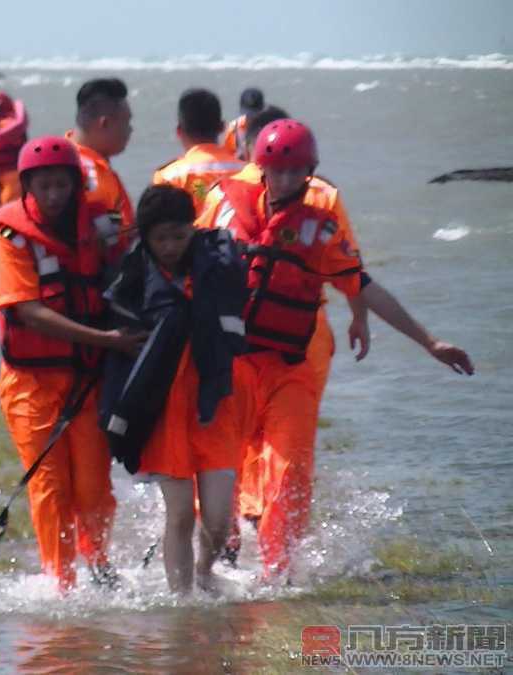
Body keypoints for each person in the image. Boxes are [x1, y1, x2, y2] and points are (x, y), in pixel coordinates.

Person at [195, 119, 474, 579]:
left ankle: (277, 573)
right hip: (234, 361)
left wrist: (429, 342)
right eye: (277, 171)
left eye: (295, 172)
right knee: (218, 464)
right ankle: (217, 553)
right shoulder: (223, 207)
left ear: (310, 172)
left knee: (290, 470)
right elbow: (185, 265)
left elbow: (364, 285)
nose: (285, 181)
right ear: (260, 169)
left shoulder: (320, 229)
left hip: (292, 366)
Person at [0, 135, 146, 593]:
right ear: (27, 186)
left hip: (86, 378)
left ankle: (99, 568)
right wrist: (105, 340)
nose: (54, 195)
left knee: (94, 487)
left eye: (62, 185)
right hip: (29, 383)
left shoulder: (102, 228)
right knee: (51, 487)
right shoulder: (12, 237)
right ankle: (62, 585)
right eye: (45, 186)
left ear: (76, 184)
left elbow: (136, 268)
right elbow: (26, 311)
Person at [106, 184, 255, 595]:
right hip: (164, 410)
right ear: (145, 237)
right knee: (180, 516)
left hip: (214, 402)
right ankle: (181, 601)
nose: (170, 246)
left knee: (219, 518)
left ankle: (206, 573)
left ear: (193, 229)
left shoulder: (220, 263)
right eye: (160, 238)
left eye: (179, 235)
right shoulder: (132, 279)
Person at [65, 78, 137, 262]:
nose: (130, 130)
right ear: (104, 123)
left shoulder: (65, 158)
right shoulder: (88, 174)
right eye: (126, 122)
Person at [152, 88, 244, 211]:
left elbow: (159, 227)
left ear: (179, 131)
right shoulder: (249, 171)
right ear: (222, 127)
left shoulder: (168, 177)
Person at [222, 87, 265, 160]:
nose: (251, 118)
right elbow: (226, 155)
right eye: (248, 114)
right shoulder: (233, 129)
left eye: (255, 114)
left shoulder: (270, 128)